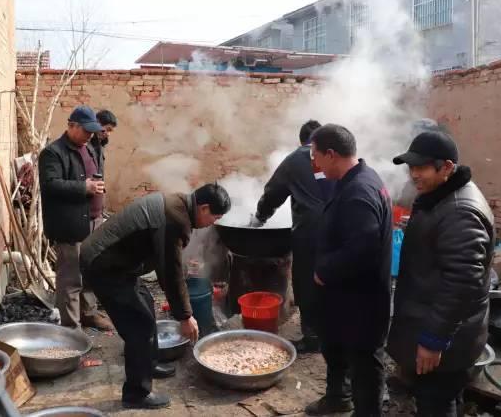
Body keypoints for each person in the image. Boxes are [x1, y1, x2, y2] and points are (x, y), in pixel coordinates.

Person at [80, 183, 231, 410]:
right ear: (204, 208)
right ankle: (136, 393)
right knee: (139, 326)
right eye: (215, 216)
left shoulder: (180, 206)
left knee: (147, 303)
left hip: (121, 264)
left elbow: (168, 262)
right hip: (104, 264)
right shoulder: (175, 219)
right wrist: (185, 316)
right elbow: (169, 272)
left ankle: (149, 365)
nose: (214, 222)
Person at [388, 123, 495, 417]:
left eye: (421, 168)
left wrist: (434, 340)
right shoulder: (443, 196)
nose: (413, 174)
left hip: (446, 337)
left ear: (447, 167)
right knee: (443, 394)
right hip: (442, 325)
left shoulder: (460, 212)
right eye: (411, 167)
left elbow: (462, 284)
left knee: (435, 401)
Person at [305, 124, 392, 416]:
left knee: (365, 364)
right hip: (344, 298)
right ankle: (337, 398)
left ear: (331, 154)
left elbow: (363, 248)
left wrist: (324, 271)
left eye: (316, 156)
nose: (314, 163)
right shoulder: (356, 178)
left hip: (362, 302)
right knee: (336, 349)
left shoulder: (358, 192)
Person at [250, 119, 334, 353]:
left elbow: (273, 193)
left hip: (310, 231)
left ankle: (312, 336)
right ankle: (334, 331)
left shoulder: (295, 159)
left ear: (302, 140)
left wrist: (260, 218)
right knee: (334, 276)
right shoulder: (334, 155)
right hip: (340, 225)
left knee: (306, 281)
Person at [38, 105, 114, 331]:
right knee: (71, 280)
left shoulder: (89, 147)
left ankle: (89, 314)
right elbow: (50, 185)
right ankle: (71, 329)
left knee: (91, 272)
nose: (90, 136)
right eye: (86, 131)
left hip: (94, 222)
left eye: (93, 131)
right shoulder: (53, 153)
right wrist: (84, 188)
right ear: (71, 126)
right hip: (70, 226)